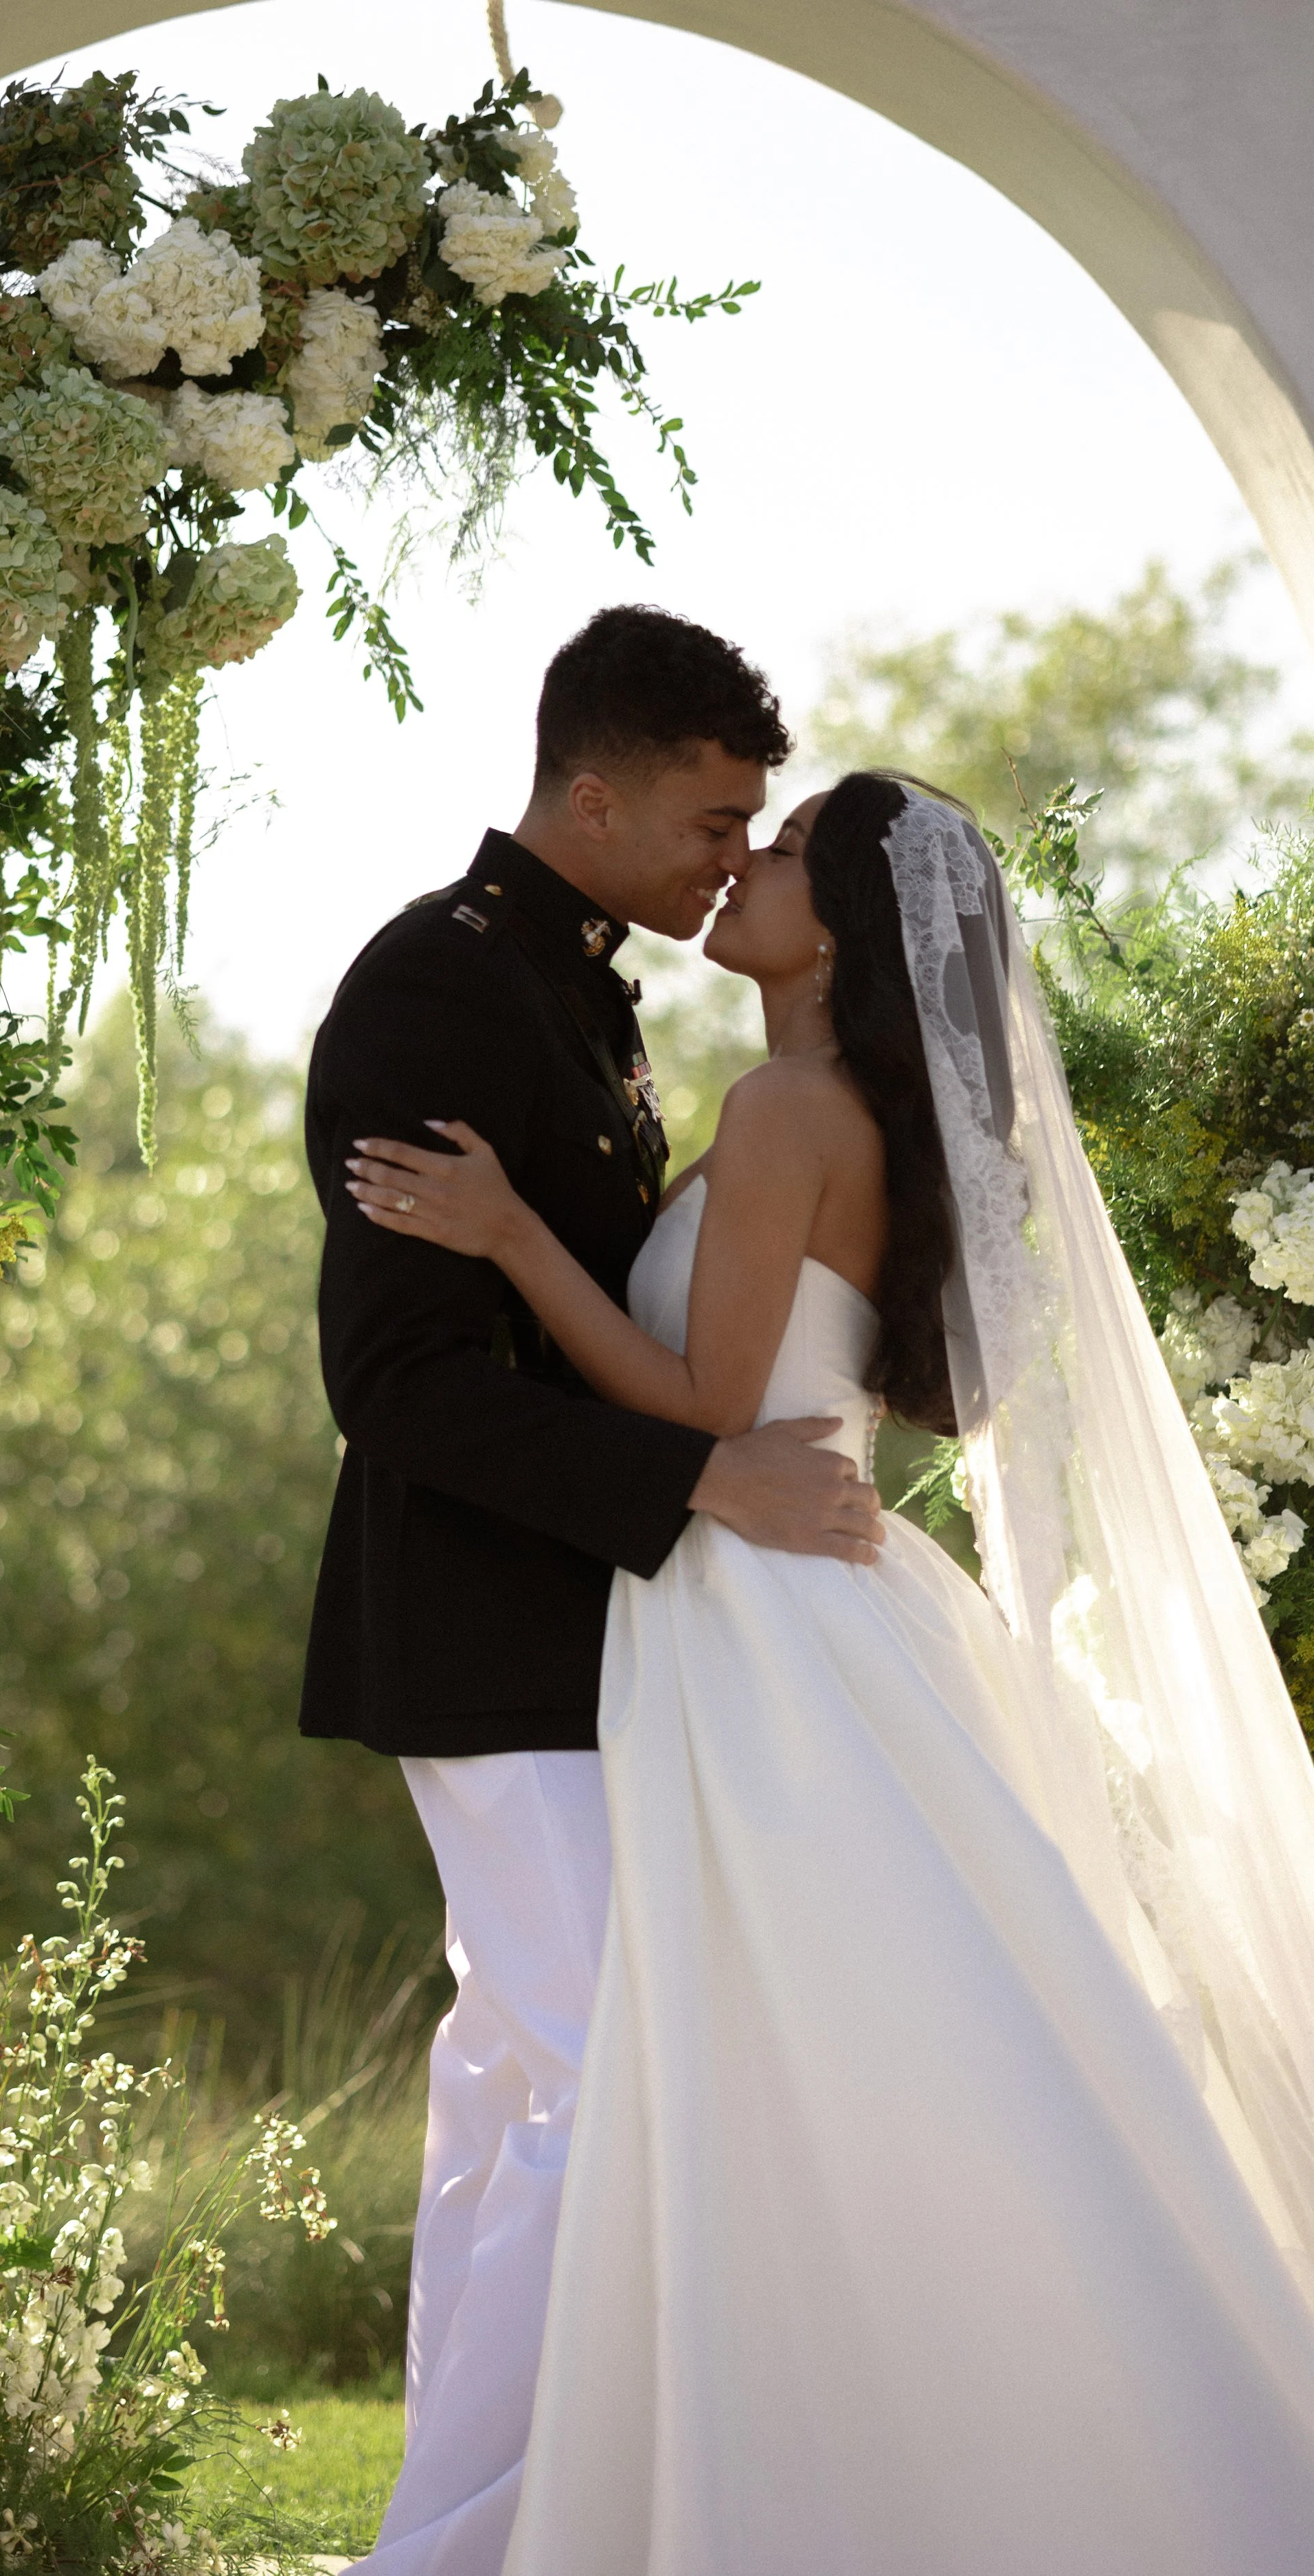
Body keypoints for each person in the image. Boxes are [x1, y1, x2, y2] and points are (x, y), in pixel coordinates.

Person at [348, 773, 1314, 2573]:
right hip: (779, 1605)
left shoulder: (788, 1107)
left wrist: (504, 1238)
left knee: (814, 2043)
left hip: (760, 1625)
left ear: (845, 925)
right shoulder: (802, 1115)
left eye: (780, 850)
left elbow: (706, 1408)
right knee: (851, 2050)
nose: (743, 864)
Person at [299, 609, 885, 2575]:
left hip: (586, 1636)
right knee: (596, 2095)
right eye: (714, 817)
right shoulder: (441, 988)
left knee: (507, 2099)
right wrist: (700, 1474)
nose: (735, 851)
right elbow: (399, 1380)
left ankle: (470, 2526)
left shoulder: (583, 993)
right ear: (592, 790)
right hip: (484, 1632)